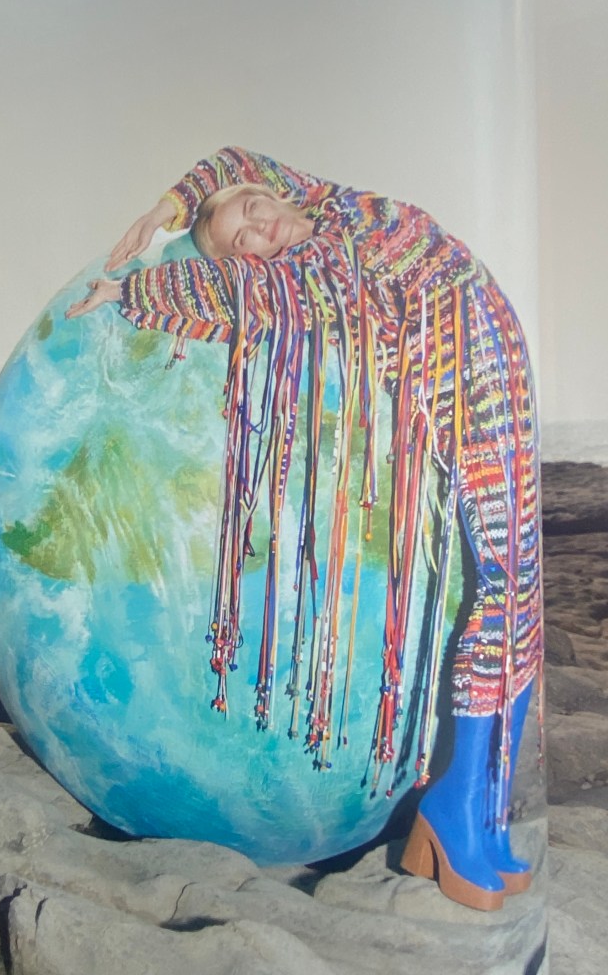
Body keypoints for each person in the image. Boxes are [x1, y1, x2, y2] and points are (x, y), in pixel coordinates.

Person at [66, 147, 543, 911]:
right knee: (507, 588)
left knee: (522, 593)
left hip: (500, 349)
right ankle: (460, 810)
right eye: (240, 240)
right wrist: (127, 287)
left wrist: (167, 207)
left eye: (252, 208)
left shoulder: (330, 203)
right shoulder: (308, 278)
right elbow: (211, 288)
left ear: (270, 192)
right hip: (466, 387)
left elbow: (236, 158)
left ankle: (477, 814)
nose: (257, 229)